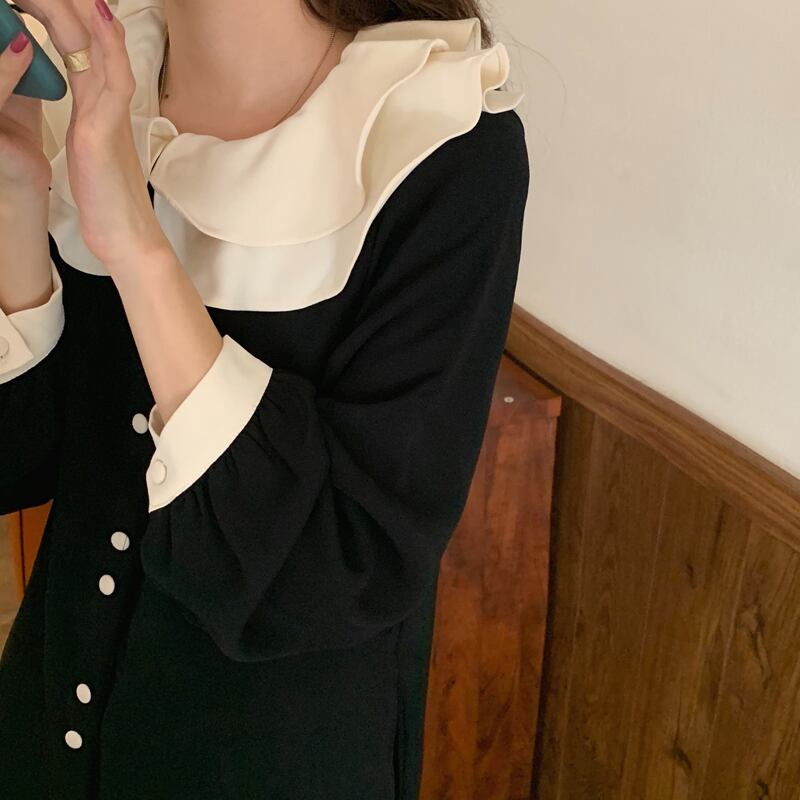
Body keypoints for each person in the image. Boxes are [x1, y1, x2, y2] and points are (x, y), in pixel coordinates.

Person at [0, 0, 529, 796]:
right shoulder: (104, 80)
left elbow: (342, 567)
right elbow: (22, 459)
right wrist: (14, 190)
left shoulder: (438, 140)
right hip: (38, 738)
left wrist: (136, 245)